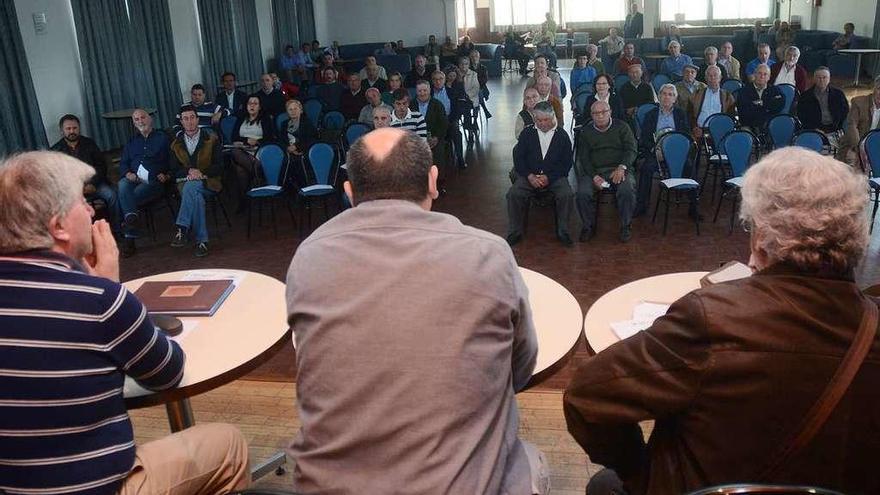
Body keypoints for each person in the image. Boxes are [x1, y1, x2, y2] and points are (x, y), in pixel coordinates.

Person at [564, 146, 880, 495]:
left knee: (604, 485)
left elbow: (586, 396)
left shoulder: (711, 318)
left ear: (761, 236)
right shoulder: (872, 323)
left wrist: (642, 471)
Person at [286, 127, 549, 494]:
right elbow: (520, 366)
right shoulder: (488, 254)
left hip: (325, 487)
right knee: (531, 459)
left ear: (348, 192)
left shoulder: (308, 258)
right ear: (433, 181)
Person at [0, 151, 250, 495]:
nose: (91, 210)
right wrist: (108, 288)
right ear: (58, 226)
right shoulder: (100, 301)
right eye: (81, 202)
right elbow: (168, 373)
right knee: (229, 443)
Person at [506, 101, 574, 247]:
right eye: (538, 120)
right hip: (529, 176)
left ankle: (563, 231)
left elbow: (566, 163)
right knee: (514, 194)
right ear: (534, 118)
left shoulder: (562, 136)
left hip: (555, 177)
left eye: (546, 120)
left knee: (566, 194)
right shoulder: (527, 133)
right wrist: (529, 176)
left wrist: (549, 177)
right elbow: (519, 159)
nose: (542, 123)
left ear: (553, 117)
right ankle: (515, 231)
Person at [575, 100, 638, 243]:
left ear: (610, 112)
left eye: (604, 112)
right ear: (591, 116)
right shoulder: (586, 132)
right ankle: (588, 226)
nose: (600, 116)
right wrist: (594, 176)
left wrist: (622, 167)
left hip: (619, 169)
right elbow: (583, 158)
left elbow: (631, 150)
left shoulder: (623, 127)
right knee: (582, 193)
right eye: (596, 113)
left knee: (626, 190)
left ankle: (626, 225)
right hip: (594, 171)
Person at [169, 105, 222, 257]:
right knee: (194, 194)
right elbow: (173, 170)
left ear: (198, 119)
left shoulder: (212, 138)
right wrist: (189, 171)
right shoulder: (175, 144)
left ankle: (182, 228)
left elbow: (220, 166)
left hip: (209, 181)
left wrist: (201, 172)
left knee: (192, 189)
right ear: (182, 122)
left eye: (192, 117)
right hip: (184, 183)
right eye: (186, 119)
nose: (190, 121)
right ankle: (201, 242)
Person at [50, 114, 118, 232]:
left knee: (112, 195)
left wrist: (93, 183)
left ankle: (117, 229)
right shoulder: (56, 150)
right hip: (71, 190)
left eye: (75, 128)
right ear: (62, 131)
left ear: (79, 128)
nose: (72, 131)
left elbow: (101, 166)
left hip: (94, 184)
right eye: (68, 129)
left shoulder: (89, 143)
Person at [117, 109, 171, 257]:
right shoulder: (132, 142)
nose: (140, 121)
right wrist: (128, 173)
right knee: (122, 184)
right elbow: (123, 163)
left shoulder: (163, 138)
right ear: (134, 124)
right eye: (136, 119)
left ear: (150, 119)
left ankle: (129, 234)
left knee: (128, 198)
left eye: (143, 117)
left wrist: (166, 174)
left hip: (154, 181)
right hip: (134, 179)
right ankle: (131, 217)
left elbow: (172, 160)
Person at [635, 84, 693, 219]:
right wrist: (655, 150)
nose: (667, 97)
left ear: (675, 99)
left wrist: (677, 152)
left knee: (689, 166)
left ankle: (693, 207)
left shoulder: (680, 114)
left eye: (670, 95)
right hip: (657, 153)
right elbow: (644, 138)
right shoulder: (651, 115)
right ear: (659, 97)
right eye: (664, 94)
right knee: (646, 169)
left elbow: (686, 136)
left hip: (677, 154)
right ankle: (641, 206)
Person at [230, 95, 277, 209]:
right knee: (235, 152)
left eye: (255, 103)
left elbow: (270, 138)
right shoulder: (241, 119)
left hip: (260, 151)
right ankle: (258, 174)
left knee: (240, 170)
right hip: (243, 151)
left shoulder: (265, 119)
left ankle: (244, 201)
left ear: (260, 107)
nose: (252, 105)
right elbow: (234, 137)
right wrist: (246, 141)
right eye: (249, 103)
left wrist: (256, 142)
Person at [796, 66, 849, 160]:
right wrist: (814, 129)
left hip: (835, 130)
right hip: (815, 130)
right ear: (814, 79)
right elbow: (802, 116)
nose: (821, 80)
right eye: (819, 77)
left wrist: (839, 128)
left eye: (824, 77)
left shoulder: (838, 94)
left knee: (843, 156)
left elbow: (845, 113)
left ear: (829, 79)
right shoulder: (805, 97)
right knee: (820, 157)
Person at [841, 76, 880, 163]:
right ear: (874, 88)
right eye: (879, 89)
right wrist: (858, 149)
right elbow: (852, 126)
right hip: (853, 144)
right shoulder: (858, 102)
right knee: (852, 160)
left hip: (874, 146)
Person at [412, 80, 448, 172]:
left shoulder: (438, 105)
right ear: (416, 92)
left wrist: (436, 138)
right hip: (416, 138)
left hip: (434, 137)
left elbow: (443, 124)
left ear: (429, 90)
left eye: (425, 90)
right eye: (420, 91)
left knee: (438, 152)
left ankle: (439, 182)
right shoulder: (411, 105)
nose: (422, 93)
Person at [737, 64, 785, 132]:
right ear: (754, 74)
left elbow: (779, 106)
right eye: (759, 73)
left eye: (765, 74)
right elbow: (744, 112)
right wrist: (767, 108)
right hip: (750, 125)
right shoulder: (744, 91)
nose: (762, 76)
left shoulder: (775, 90)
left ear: (769, 77)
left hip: (769, 125)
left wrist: (761, 103)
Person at [281, 99, 317, 188]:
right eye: (290, 109)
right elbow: (281, 141)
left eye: (295, 109)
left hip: (304, 151)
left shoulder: (307, 123)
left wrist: (296, 147)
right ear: (287, 112)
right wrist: (288, 148)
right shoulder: (284, 124)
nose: (293, 111)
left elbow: (310, 140)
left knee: (297, 162)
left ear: (300, 110)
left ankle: (303, 189)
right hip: (288, 152)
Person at [691, 65, 737, 136]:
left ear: (720, 78)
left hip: (720, 131)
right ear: (705, 78)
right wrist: (694, 127)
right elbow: (690, 114)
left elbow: (731, 117)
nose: (712, 78)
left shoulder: (728, 96)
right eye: (709, 75)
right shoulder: (696, 94)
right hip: (700, 131)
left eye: (715, 75)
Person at [469, 49, 492, 119]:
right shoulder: (468, 68)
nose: (474, 58)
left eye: (476, 56)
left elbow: (484, 80)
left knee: (477, 93)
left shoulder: (483, 68)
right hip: (469, 88)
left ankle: (475, 120)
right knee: (477, 94)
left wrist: (476, 84)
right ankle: (485, 110)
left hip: (480, 88)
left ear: (479, 57)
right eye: (472, 57)